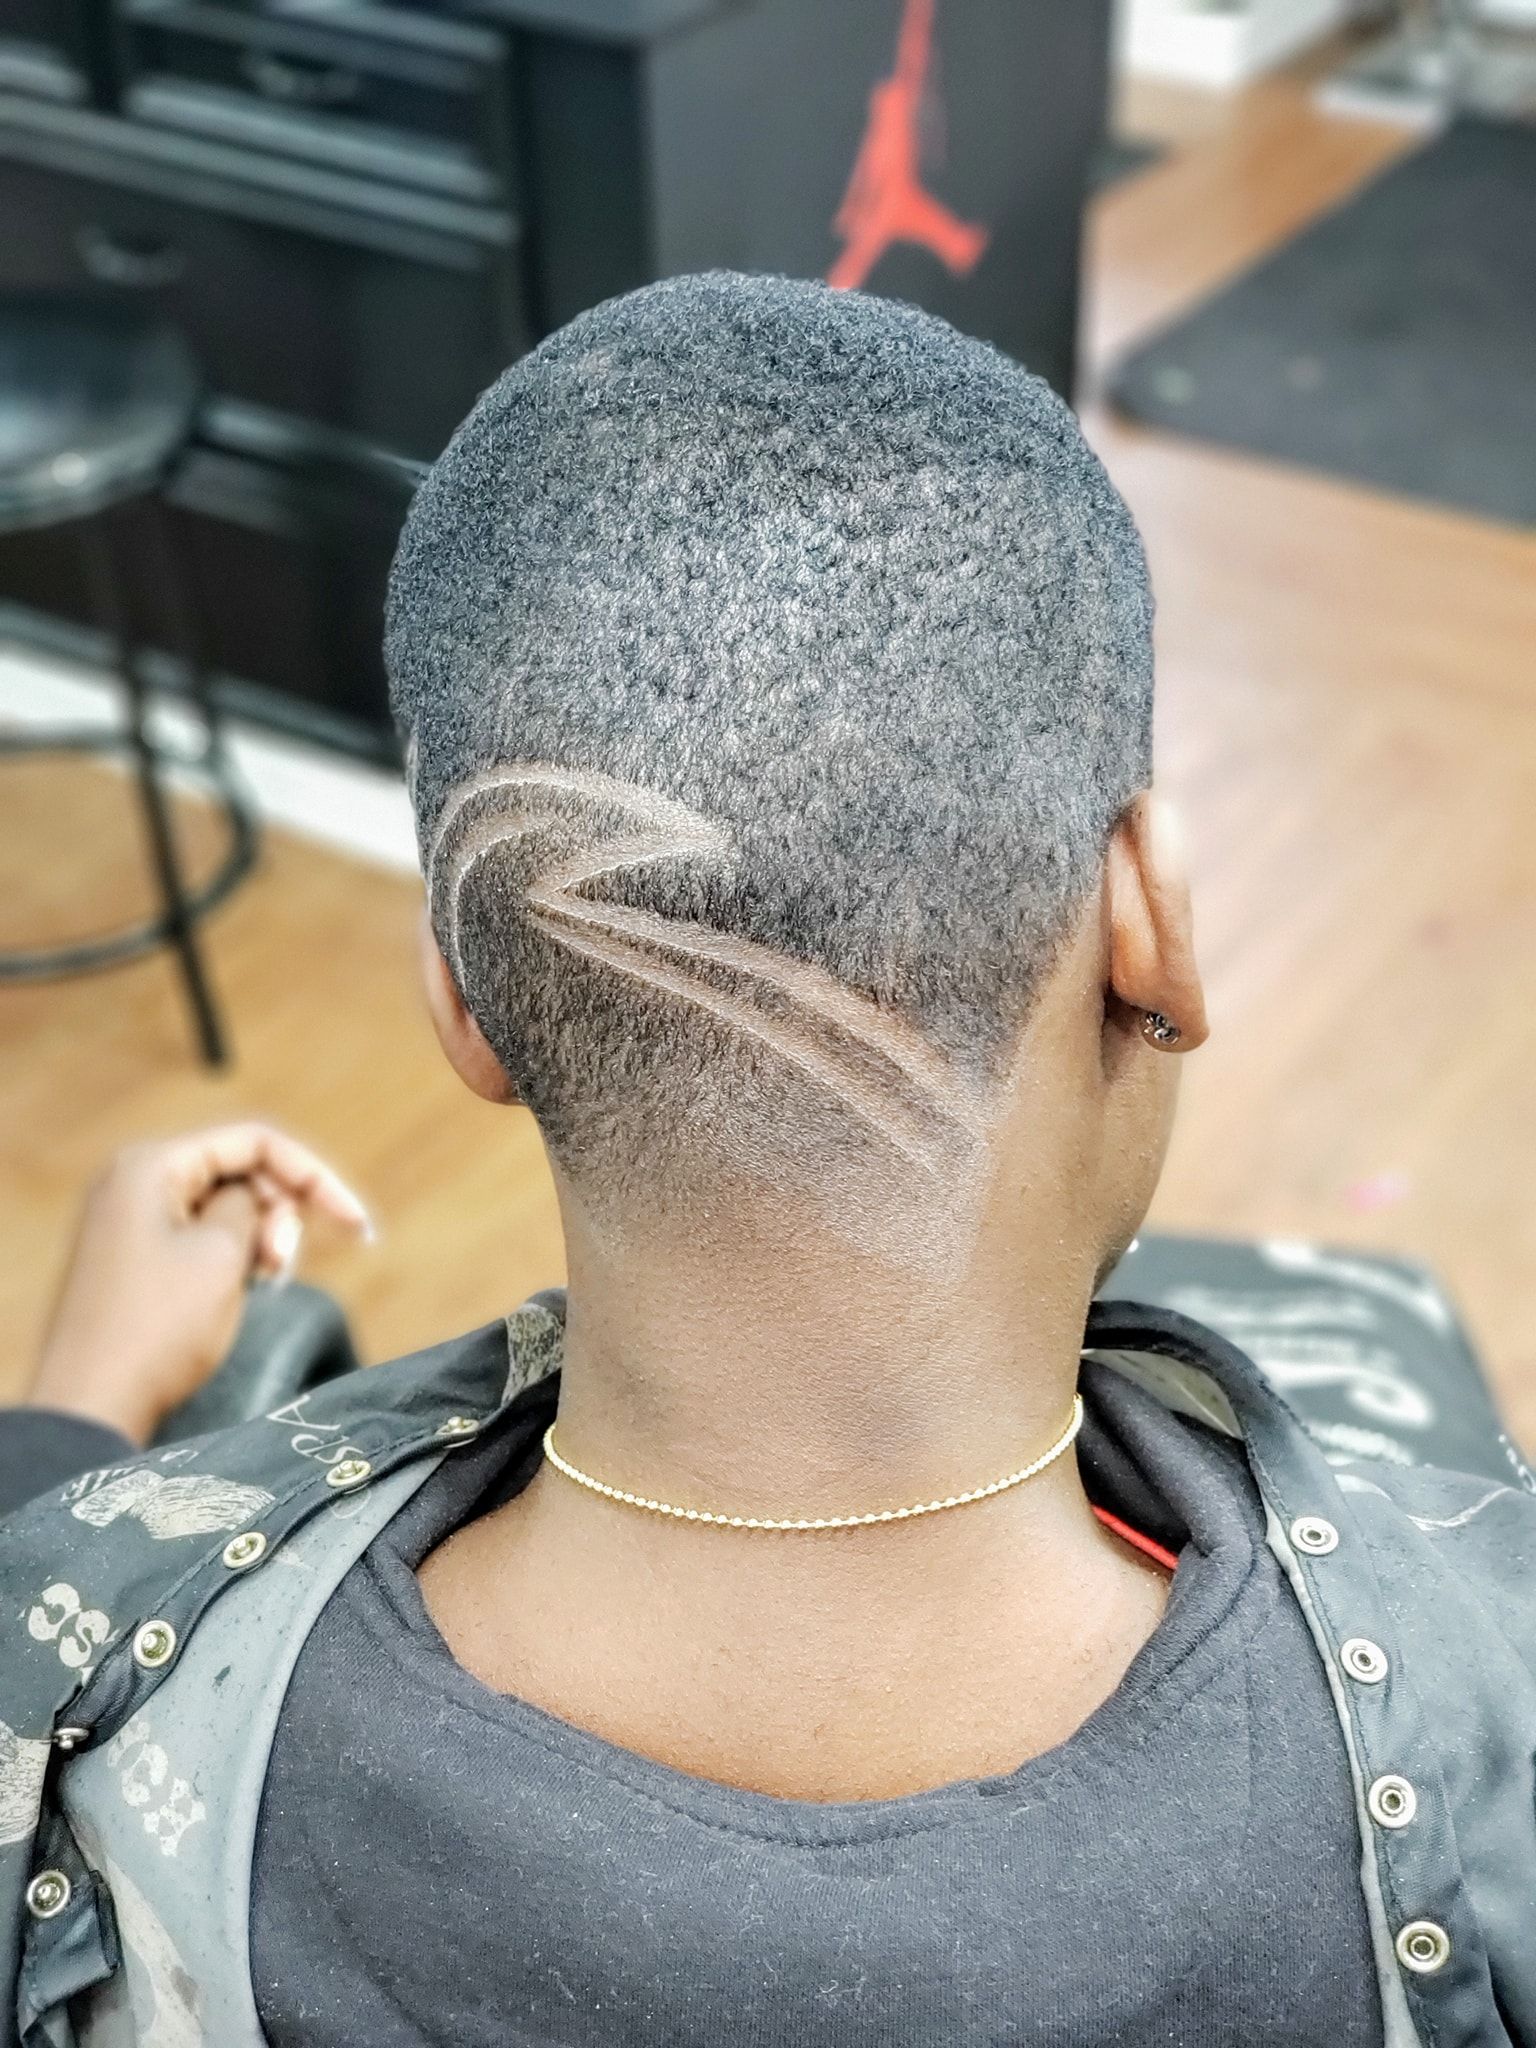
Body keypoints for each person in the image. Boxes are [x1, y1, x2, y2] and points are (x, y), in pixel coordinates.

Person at [2, 271, 1534, 2048]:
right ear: (1150, 923)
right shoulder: (1492, 1707)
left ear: (464, 1002)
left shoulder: (80, 1697)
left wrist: (67, 1445)